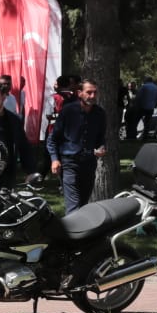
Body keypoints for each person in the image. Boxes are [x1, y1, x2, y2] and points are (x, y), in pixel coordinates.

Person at [46, 78, 109, 213]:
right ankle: (72, 231)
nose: (92, 96)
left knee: (83, 204)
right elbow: (52, 139)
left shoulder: (99, 113)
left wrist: (102, 148)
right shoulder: (68, 111)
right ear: (79, 93)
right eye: (89, 92)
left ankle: (80, 232)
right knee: (73, 206)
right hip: (69, 163)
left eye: (95, 93)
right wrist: (54, 159)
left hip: (89, 163)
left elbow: (100, 138)